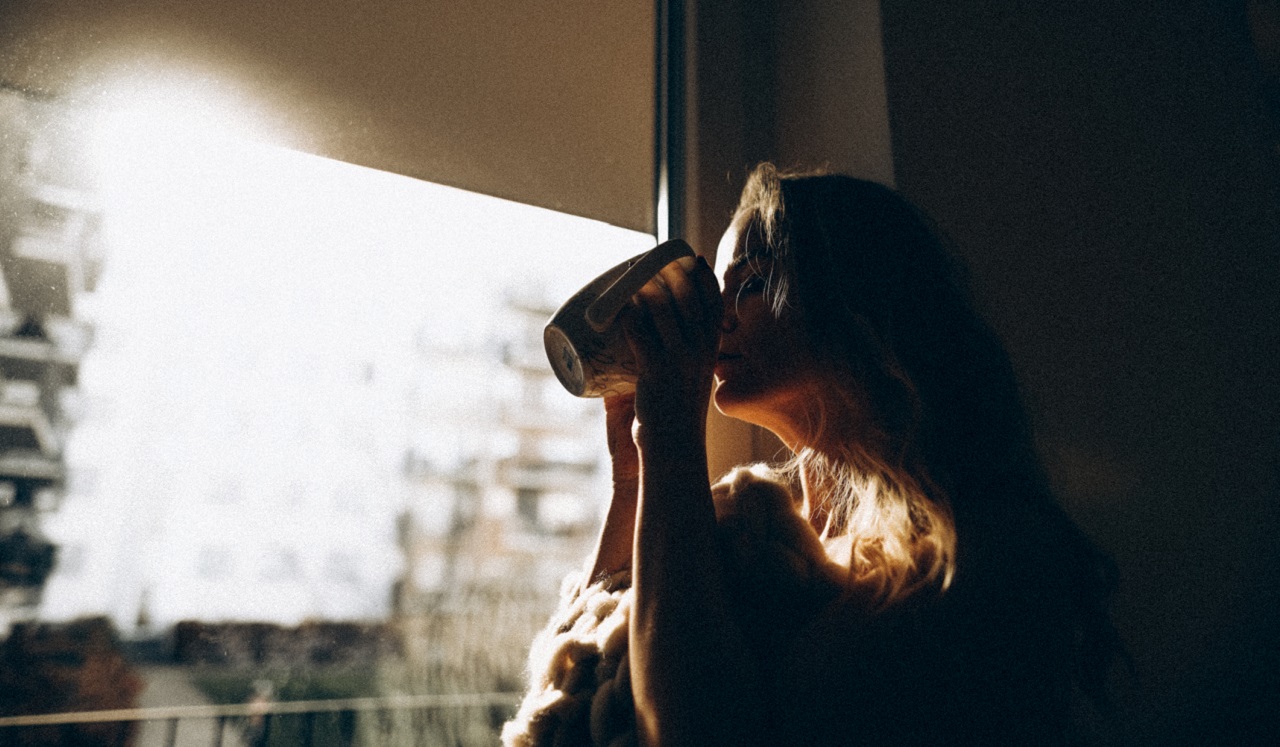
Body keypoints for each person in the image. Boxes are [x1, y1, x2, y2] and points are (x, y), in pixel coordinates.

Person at [502, 164, 1122, 746]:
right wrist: (635, 480)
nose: (717, 314)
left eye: (754, 282)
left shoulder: (981, 549)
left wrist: (671, 448)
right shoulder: (760, 521)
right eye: (719, 288)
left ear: (860, 301)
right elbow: (588, 675)